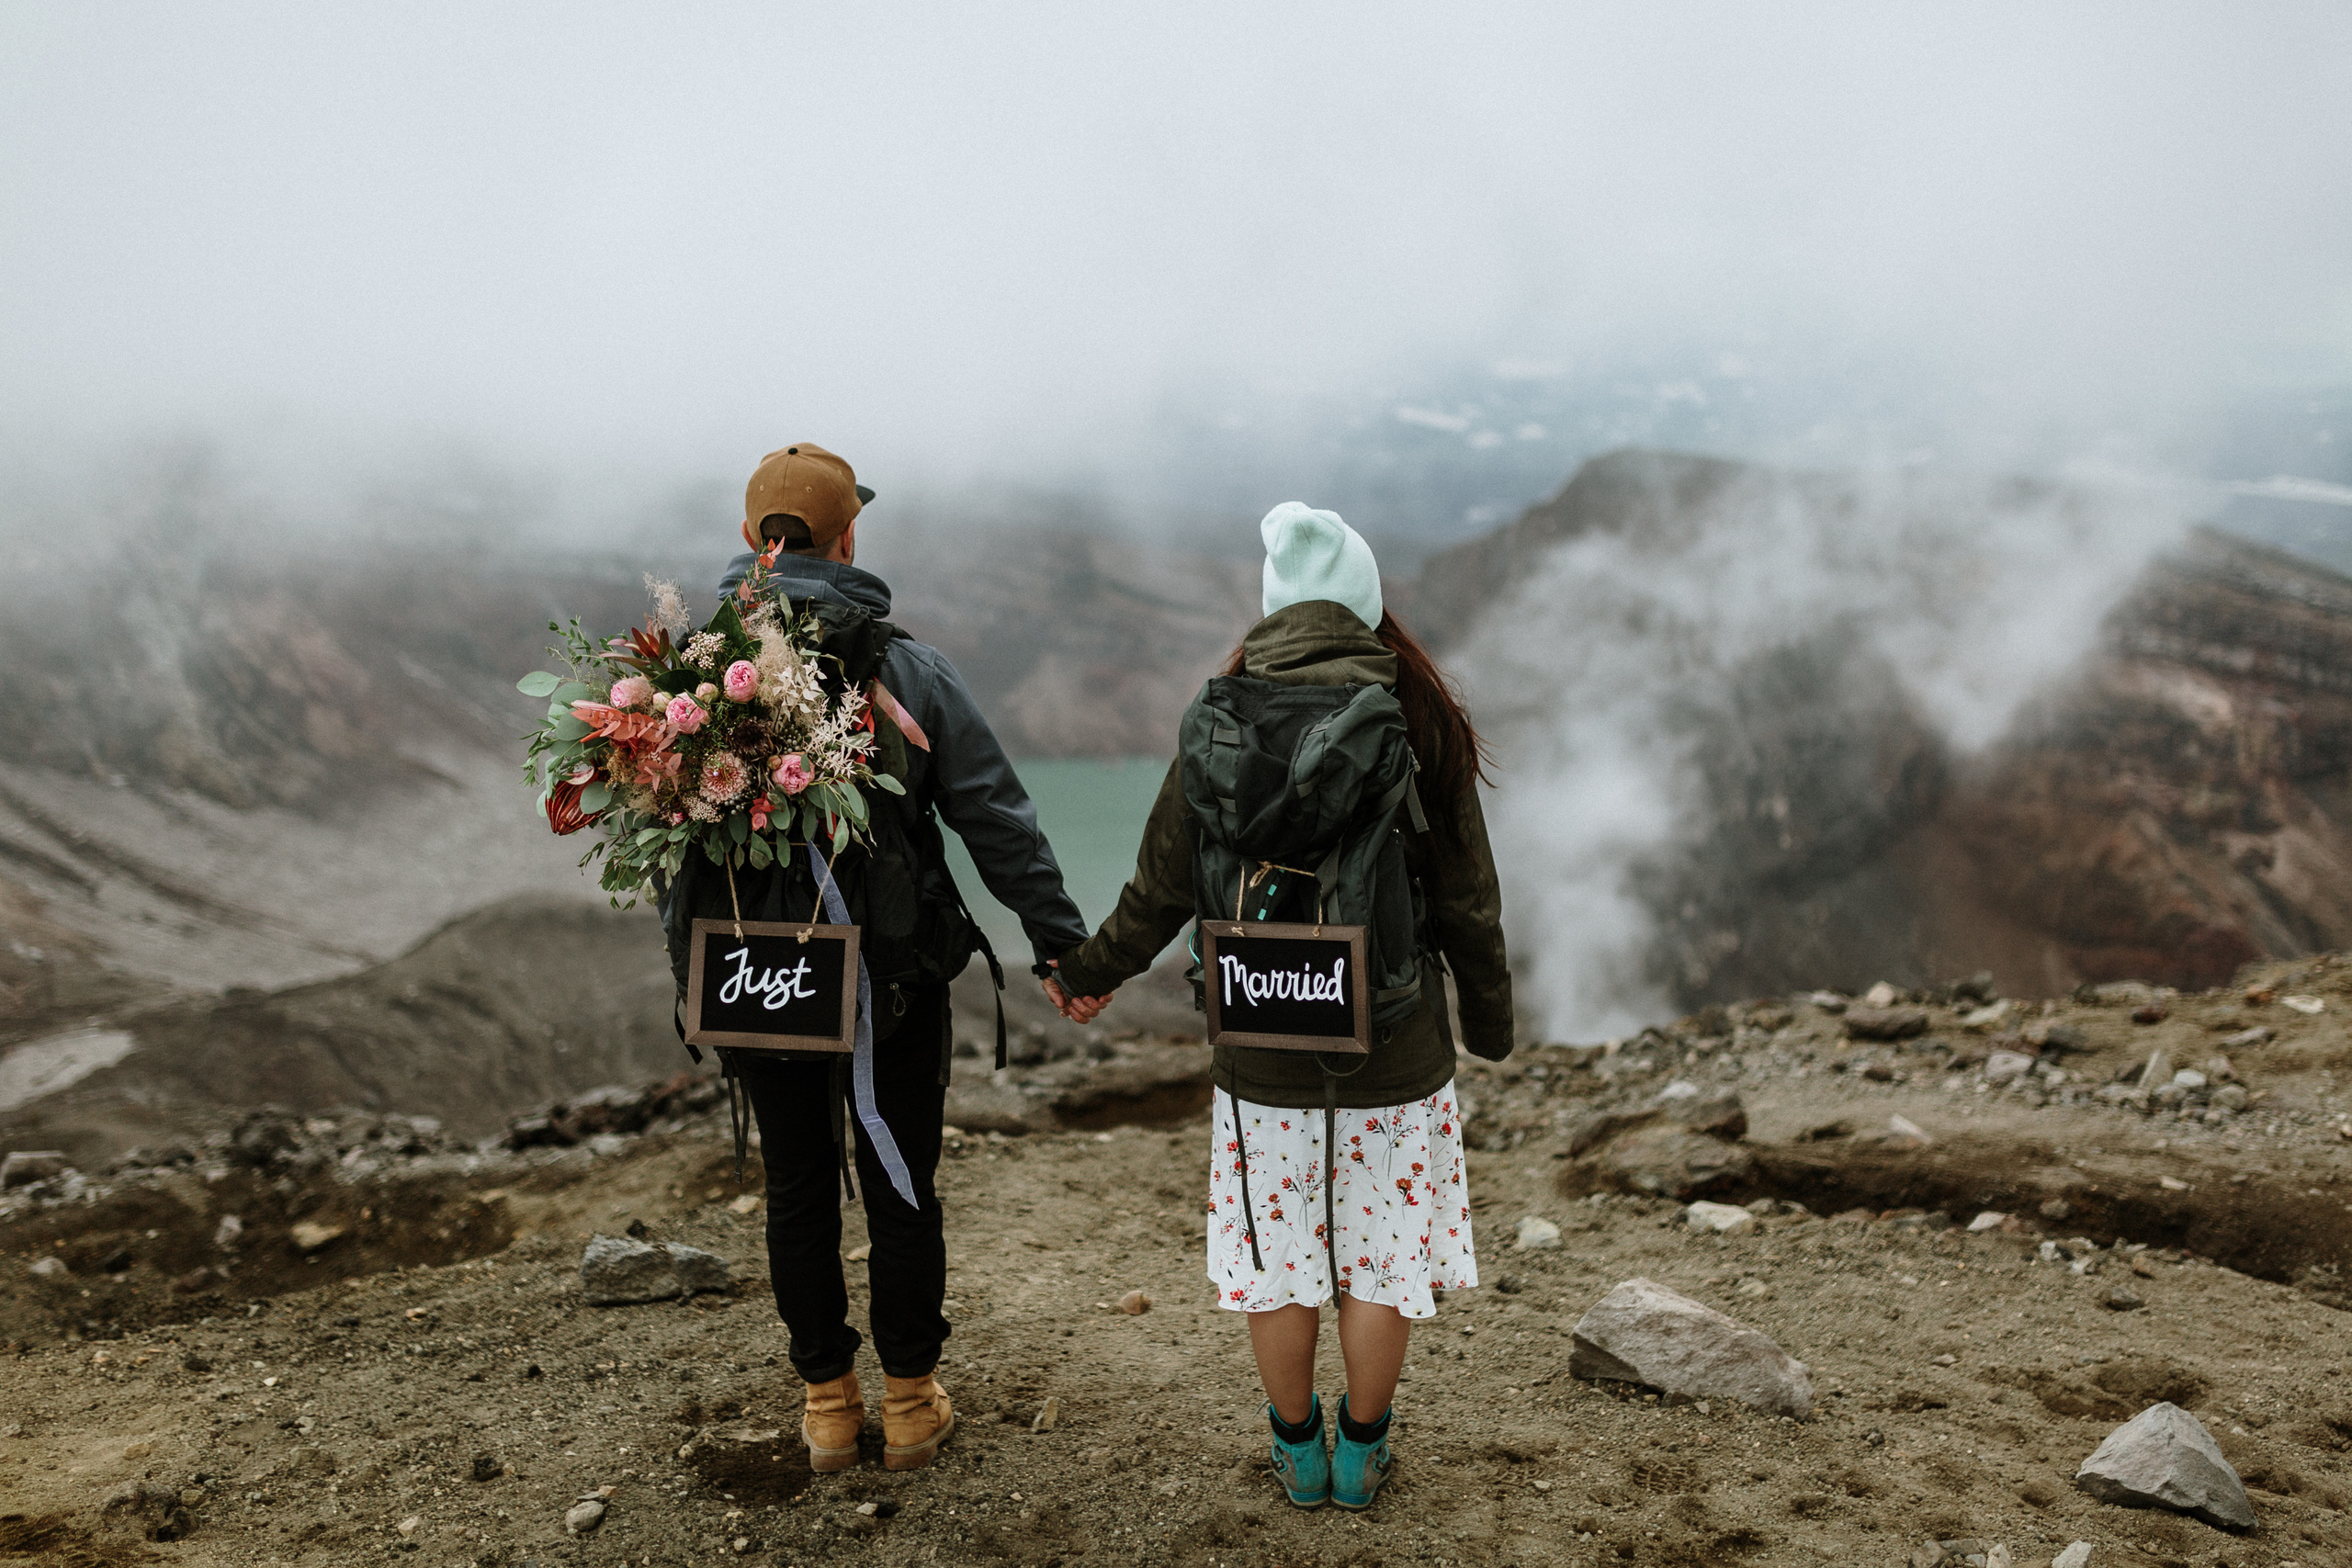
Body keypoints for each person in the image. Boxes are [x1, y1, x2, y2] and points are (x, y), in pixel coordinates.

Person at [1046, 502, 1512, 1511]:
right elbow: (1468, 896)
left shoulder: (1219, 717)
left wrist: (1089, 971)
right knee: (1381, 1263)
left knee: (1281, 1260)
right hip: (1391, 1044)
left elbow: (1160, 888)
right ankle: (1361, 1451)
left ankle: (1295, 1453)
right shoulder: (1416, 718)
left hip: (1260, 1040)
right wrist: (1487, 1023)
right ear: (1367, 608)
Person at [666, 441, 1091, 1473]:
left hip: (754, 978)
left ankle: (824, 1406)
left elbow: (669, 846)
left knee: (798, 1185)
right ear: (849, 533)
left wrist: (697, 974)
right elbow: (996, 820)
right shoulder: (904, 668)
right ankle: (909, 1404)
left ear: (746, 540)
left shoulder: (685, 682)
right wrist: (1062, 948)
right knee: (900, 1178)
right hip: (890, 982)